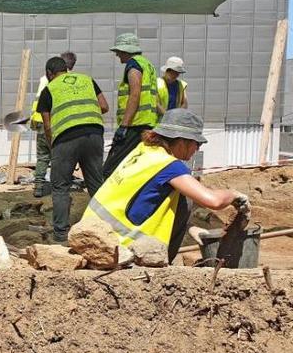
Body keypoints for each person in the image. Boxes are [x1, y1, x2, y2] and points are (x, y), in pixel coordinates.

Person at [83, 109, 248, 262]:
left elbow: (146, 198)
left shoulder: (143, 150)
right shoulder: (169, 165)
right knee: (186, 198)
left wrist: (189, 227)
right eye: (197, 144)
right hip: (121, 247)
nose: (196, 150)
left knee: (178, 193)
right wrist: (234, 194)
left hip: (90, 238)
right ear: (182, 141)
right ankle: (162, 262)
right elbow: (213, 201)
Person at [36, 56, 109, 243]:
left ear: (49, 74)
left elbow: (47, 125)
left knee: (60, 187)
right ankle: (106, 228)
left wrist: (54, 148)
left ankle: (60, 235)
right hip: (94, 134)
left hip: (66, 139)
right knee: (96, 184)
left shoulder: (49, 89)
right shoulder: (87, 80)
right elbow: (104, 106)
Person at [103, 33, 160, 179]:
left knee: (111, 168)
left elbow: (135, 94)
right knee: (138, 166)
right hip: (148, 123)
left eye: (118, 52)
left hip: (135, 125)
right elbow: (154, 100)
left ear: (125, 51)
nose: (117, 55)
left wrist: (124, 126)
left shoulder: (134, 65)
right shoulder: (147, 65)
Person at [31, 51, 77, 197]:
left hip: (39, 120)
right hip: (54, 122)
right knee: (58, 155)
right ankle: (59, 186)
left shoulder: (44, 78)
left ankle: (38, 185)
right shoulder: (66, 80)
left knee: (42, 156)